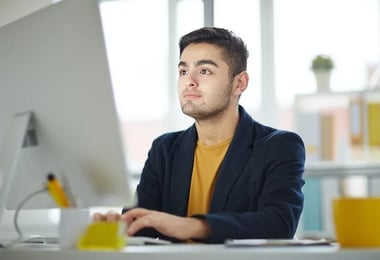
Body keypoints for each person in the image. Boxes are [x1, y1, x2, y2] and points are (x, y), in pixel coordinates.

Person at [93, 27, 305, 244]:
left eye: (204, 71)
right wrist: (118, 225)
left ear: (239, 83)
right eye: (183, 71)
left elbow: (279, 224)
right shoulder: (164, 149)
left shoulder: (279, 146)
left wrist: (192, 226)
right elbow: (140, 226)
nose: (189, 81)